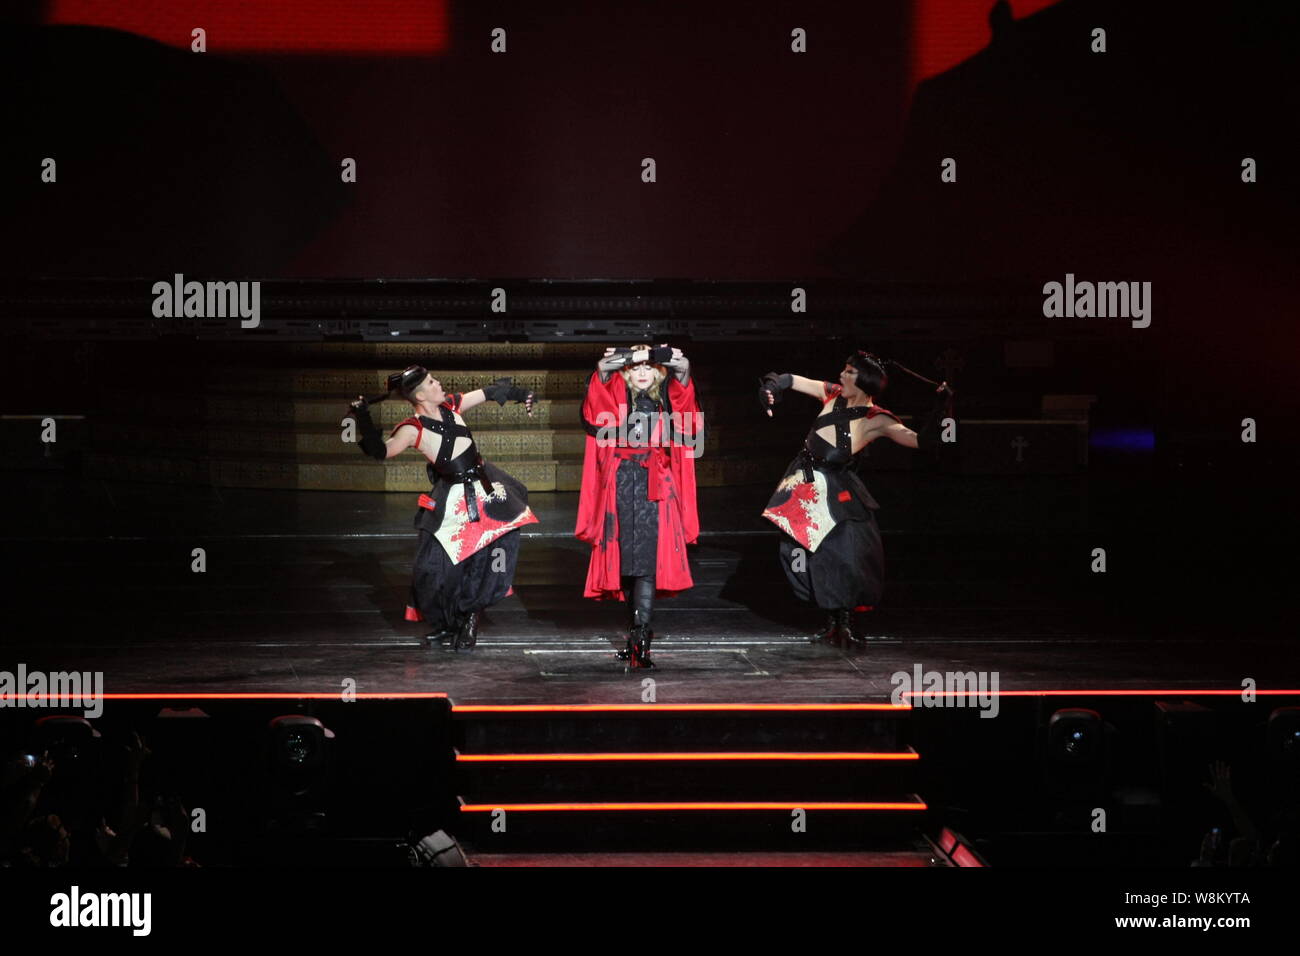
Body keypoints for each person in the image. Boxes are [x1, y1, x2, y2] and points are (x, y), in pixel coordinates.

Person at [759, 350, 952, 645]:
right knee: (809, 552)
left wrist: (942, 407)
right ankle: (830, 619)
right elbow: (790, 379)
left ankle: (844, 621)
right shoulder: (831, 394)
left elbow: (922, 442)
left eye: (849, 372)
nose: (841, 375)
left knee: (849, 551)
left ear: (865, 381)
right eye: (844, 370)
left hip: (836, 484)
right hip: (806, 482)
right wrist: (771, 388)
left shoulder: (878, 419)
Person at [346, 365, 538, 650]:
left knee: (483, 559)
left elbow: (490, 392)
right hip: (452, 498)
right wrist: (362, 416)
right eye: (433, 382)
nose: (439, 384)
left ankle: (470, 618)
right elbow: (382, 451)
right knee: (432, 566)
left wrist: (523, 394)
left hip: (485, 489)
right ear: (421, 395)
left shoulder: (453, 404)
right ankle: (448, 622)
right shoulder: (412, 429)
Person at [576, 344, 702, 668]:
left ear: (658, 371)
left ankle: (642, 639)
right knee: (627, 567)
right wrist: (630, 356)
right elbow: (602, 367)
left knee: (644, 564)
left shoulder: (670, 397)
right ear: (627, 372)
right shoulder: (615, 395)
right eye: (636, 368)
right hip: (620, 486)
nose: (642, 373)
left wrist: (658, 354)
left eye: (649, 367)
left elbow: (684, 366)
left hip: (655, 488)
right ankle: (634, 636)